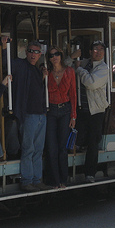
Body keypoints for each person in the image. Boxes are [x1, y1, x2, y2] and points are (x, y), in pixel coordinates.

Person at [11, 42, 50, 192]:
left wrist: (43, 76)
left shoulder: (37, 70)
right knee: (28, 148)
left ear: (40, 55)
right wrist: (3, 47)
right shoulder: (20, 65)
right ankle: (27, 181)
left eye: (36, 52)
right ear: (26, 53)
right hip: (28, 115)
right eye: (31, 51)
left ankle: (36, 179)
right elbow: (6, 63)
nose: (33, 54)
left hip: (41, 115)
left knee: (38, 149)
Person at [74, 41, 109, 183]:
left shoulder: (103, 68)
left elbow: (91, 83)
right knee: (79, 139)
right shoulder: (84, 63)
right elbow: (67, 64)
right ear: (90, 51)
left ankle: (90, 173)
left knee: (93, 142)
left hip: (96, 110)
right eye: (96, 49)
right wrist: (72, 57)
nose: (99, 52)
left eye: (101, 49)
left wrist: (79, 70)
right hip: (81, 109)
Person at [45, 46, 77, 189]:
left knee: (62, 148)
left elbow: (74, 95)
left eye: (57, 54)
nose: (54, 57)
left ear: (61, 56)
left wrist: (73, 116)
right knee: (52, 147)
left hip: (65, 110)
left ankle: (63, 179)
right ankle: (54, 181)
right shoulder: (47, 72)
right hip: (50, 111)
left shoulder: (69, 71)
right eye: (51, 55)